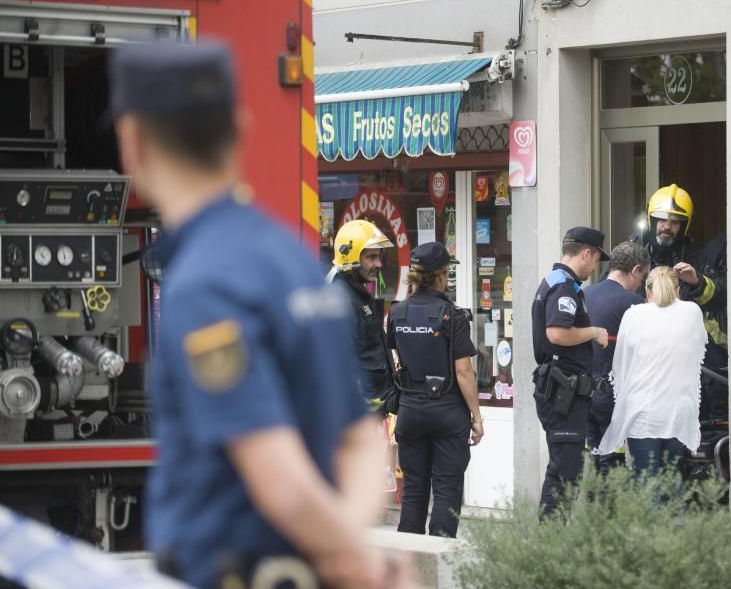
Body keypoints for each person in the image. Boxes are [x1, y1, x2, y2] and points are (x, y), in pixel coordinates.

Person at [110, 40, 398, 588]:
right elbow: (361, 438)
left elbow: (280, 481)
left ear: (133, 143)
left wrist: (353, 562)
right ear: (240, 131)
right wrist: (347, 546)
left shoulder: (203, 286)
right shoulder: (292, 259)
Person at [387, 242, 484, 538]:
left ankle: (411, 565)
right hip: (447, 412)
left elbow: (393, 361)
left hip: (411, 411)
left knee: (414, 489)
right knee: (446, 489)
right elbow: (464, 372)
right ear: (441, 275)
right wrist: (477, 417)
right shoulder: (451, 315)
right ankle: (439, 559)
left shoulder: (396, 313)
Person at [598, 267, 708, 485]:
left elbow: (621, 365)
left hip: (642, 411)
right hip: (677, 411)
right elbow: (697, 353)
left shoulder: (634, 314)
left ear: (647, 291)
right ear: (678, 290)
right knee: (672, 482)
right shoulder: (692, 312)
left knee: (647, 486)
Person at [531, 227, 610, 515]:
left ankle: (551, 541)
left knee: (565, 470)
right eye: (596, 259)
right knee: (564, 474)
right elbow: (557, 334)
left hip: (563, 391)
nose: (594, 267)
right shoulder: (564, 286)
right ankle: (551, 545)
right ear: (586, 253)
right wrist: (594, 332)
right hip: (564, 394)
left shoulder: (556, 281)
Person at [634, 183, 728, 419]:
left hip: (688, 344)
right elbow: (616, 291)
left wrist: (696, 282)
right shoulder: (634, 252)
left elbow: (719, 295)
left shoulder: (696, 256)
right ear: (652, 219)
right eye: (662, 220)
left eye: (675, 222)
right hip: (646, 346)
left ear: (683, 225)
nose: (667, 227)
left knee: (711, 391)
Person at [583, 241, 649, 472]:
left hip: (583, 391)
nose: (639, 285)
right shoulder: (633, 304)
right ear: (635, 270)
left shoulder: (584, 294)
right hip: (613, 395)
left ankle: (593, 506)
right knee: (613, 464)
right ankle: (610, 507)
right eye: (642, 278)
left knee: (591, 460)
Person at [326, 219, 395, 406]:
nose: (379, 263)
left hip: (375, 403)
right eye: (371, 257)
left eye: (379, 257)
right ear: (351, 258)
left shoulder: (359, 293)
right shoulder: (341, 298)